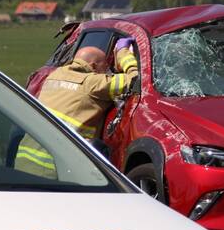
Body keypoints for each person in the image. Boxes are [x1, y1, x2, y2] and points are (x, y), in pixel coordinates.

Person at [15, 39, 139, 178]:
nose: (108, 72)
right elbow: (136, 80)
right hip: (53, 169)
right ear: (94, 66)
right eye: (106, 67)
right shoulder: (93, 83)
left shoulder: (55, 75)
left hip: (25, 159)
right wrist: (123, 54)